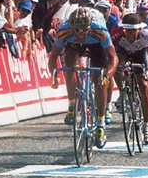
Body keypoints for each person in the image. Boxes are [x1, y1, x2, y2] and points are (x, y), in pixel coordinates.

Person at [48, 8, 119, 149]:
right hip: (74, 45)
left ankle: (100, 124)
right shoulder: (65, 30)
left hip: (97, 45)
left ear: (89, 27)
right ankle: (72, 106)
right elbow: (53, 57)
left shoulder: (99, 29)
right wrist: (53, 76)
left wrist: (108, 75)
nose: (80, 34)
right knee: (68, 64)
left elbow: (113, 57)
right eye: (77, 31)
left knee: (99, 80)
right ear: (72, 27)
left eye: (84, 31)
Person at [110, 13, 148, 143]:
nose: (130, 34)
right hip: (122, 52)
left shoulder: (146, 34)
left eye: (134, 31)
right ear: (122, 29)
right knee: (117, 65)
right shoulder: (116, 33)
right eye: (127, 31)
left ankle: (146, 126)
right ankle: (123, 91)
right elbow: (109, 56)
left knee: (143, 85)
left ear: (139, 29)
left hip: (140, 53)